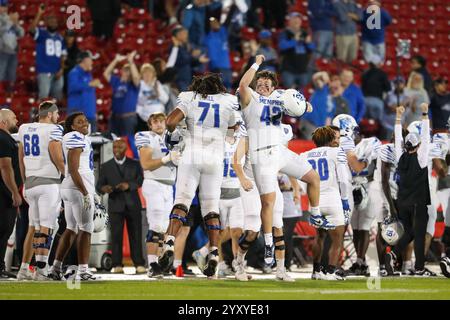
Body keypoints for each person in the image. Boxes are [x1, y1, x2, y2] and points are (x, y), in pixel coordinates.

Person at [238, 55, 331, 269]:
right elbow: (243, 84)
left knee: (313, 178)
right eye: (259, 83)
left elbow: (304, 107)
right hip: (261, 154)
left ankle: (315, 215)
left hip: (280, 151)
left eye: (266, 84)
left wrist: (302, 105)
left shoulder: (280, 96)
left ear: (272, 88)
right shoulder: (250, 97)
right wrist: (256, 63)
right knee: (268, 202)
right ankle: (269, 244)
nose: (261, 86)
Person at [158, 73, 237, 277]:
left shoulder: (189, 97)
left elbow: (170, 121)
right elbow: (232, 132)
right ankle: (213, 253)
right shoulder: (228, 101)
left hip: (192, 154)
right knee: (211, 208)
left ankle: (168, 243)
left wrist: (175, 134)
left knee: (182, 201)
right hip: (215, 159)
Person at [232, 122, 296, 281]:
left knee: (278, 226)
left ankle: (280, 270)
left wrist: (294, 184)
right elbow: (236, 160)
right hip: (252, 184)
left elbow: (285, 160)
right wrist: (242, 178)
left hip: (270, 183)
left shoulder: (282, 130)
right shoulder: (250, 131)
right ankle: (239, 263)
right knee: (252, 231)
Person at [16, 101, 65, 281]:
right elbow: (57, 157)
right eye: (57, 113)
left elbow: (21, 158)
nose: (58, 117)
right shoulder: (54, 130)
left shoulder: (24, 128)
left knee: (34, 228)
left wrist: (25, 182)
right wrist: (69, 177)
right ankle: (41, 269)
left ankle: (24, 269)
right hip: (48, 183)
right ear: (50, 114)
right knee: (47, 226)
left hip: (30, 183)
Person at [385, 104, 435, 276]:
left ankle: (393, 253)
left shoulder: (400, 157)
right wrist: (424, 113)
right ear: (419, 145)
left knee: (409, 232)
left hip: (402, 202)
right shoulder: (421, 158)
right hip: (418, 202)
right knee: (418, 234)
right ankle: (419, 267)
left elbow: (398, 137)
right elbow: (426, 136)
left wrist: (398, 117)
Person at [49, 112, 96, 281]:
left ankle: (55, 268)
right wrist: (85, 192)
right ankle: (83, 270)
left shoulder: (80, 137)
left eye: (85, 120)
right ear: (72, 126)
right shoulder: (75, 136)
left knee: (71, 228)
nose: (85, 123)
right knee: (86, 229)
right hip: (77, 187)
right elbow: (74, 169)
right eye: (80, 122)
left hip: (72, 187)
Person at [134, 112, 180, 278]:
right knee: (155, 226)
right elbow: (145, 164)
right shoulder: (146, 136)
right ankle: (152, 264)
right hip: (154, 184)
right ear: (150, 124)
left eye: (162, 120)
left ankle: (160, 264)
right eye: (155, 121)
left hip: (169, 187)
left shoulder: (173, 137)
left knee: (164, 227)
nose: (159, 124)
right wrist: (166, 159)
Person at [304, 126, 351, 280]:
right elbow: (343, 179)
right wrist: (345, 200)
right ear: (330, 138)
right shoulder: (336, 152)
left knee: (319, 237)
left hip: (315, 201)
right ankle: (330, 272)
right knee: (337, 240)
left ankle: (316, 271)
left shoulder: (305, 155)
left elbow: (301, 180)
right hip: (332, 199)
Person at [96, 139, 145, 274]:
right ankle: (117, 264)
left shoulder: (134, 164)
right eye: (115, 146)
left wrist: (129, 185)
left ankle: (139, 264)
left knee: (136, 235)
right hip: (115, 205)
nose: (117, 149)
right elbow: (99, 186)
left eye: (120, 147)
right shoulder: (106, 166)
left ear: (126, 149)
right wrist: (103, 188)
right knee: (116, 236)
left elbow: (140, 180)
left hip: (133, 204)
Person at [217, 127, 244, 278]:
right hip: (220, 191)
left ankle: (238, 265)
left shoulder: (243, 141)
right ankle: (220, 263)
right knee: (220, 232)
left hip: (238, 191)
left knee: (237, 231)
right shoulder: (217, 141)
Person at [0, 108, 21, 279]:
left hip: (4, 193)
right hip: (4, 194)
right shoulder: (4, 139)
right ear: (4, 122)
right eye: (14, 118)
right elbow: (5, 167)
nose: (17, 121)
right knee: (3, 230)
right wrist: (14, 192)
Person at [30, 5, 67, 101]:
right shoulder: (42, 33)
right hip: (44, 71)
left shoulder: (60, 38)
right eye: (50, 20)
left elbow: (63, 55)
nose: (53, 22)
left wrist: (62, 69)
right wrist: (39, 14)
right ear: (46, 22)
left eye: (54, 20)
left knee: (57, 99)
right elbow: (31, 29)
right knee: (44, 98)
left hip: (58, 72)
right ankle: (40, 116)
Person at [103, 51, 141, 136]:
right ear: (121, 71)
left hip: (128, 118)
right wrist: (116, 60)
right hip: (115, 117)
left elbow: (136, 77)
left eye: (129, 71)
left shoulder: (133, 84)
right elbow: (106, 73)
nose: (126, 72)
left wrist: (131, 62)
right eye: (125, 70)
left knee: (127, 142)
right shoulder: (116, 81)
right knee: (113, 141)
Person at [278, 12, 315, 90]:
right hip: (289, 69)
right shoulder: (285, 32)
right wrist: (294, 40)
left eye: (298, 19)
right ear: (289, 21)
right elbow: (282, 46)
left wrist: (309, 43)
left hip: (303, 69)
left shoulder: (304, 33)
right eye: (294, 19)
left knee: (303, 93)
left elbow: (312, 48)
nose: (297, 21)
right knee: (289, 92)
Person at [166, 26, 209, 91]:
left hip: (187, 78)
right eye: (184, 33)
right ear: (178, 35)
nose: (186, 36)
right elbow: (177, 62)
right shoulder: (173, 47)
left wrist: (199, 60)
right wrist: (192, 56)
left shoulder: (185, 47)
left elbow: (190, 63)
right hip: (179, 79)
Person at [67, 51, 101, 132]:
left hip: (90, 114)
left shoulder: (88, 74)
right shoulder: (74, 73)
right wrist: (89, 84)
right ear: (85, 60)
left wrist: (94, 111)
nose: (92, 62)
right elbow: (73, 87)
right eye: (91, 60)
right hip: (77, 113)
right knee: (77, 141)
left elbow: (91, 94)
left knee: (91, 141)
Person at [136, 63, 170, 132]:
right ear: (142, 75)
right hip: (145, 121)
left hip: (159, 121)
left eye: (149, 72)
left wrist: (158, 92)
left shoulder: (157, 84)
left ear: (153, 74)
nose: (147, 75)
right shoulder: (140, 85)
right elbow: (138, 102)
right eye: (145, 73)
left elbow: (165, 100)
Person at [278, 173, 301, 271]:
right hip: (278, 209)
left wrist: (288, 187)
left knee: (286, 236)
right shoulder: (274, 169)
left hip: (291, 210)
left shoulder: (291, 171)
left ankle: (287, 263)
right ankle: (280, 263)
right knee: (279, 236)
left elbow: (300, 188)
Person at [0, 4, 24, 92]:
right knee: (1, 73)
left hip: (13, 52)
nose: (4, 8)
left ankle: (9, 95)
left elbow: (21, 34)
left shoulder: (11, 20)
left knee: (11, 75)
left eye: (5, 6)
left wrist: (16, 23)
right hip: (2, 51)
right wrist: (10, 21)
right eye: (2, 6)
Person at [203, 17, 232, 90]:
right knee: (217, 90)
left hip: (226, 66)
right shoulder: (207, 36)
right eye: (212, 23)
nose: (214, 24)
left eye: (215, 22)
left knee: (228, 90)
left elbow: (228, 20)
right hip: (214, 67)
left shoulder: (223, 31)